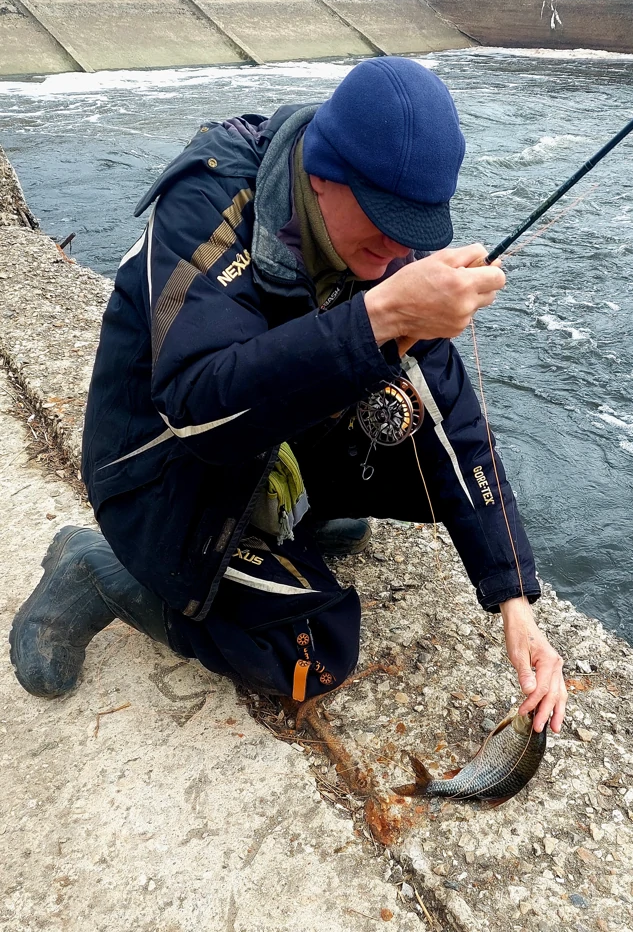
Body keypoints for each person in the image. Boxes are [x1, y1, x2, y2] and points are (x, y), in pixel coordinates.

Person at [10, 57, 566, 734]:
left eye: (415, 230)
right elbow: (199, 412)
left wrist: (513, 598)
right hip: (160, 468)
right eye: (386, 220)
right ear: (322, 173)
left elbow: (452, 414)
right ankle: (101, 571)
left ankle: (299, 509)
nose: (398, 249)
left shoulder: (379, 244)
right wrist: (381, 316)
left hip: (266, 436)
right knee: (312, 653)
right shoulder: (208, 205)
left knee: (417, 424)